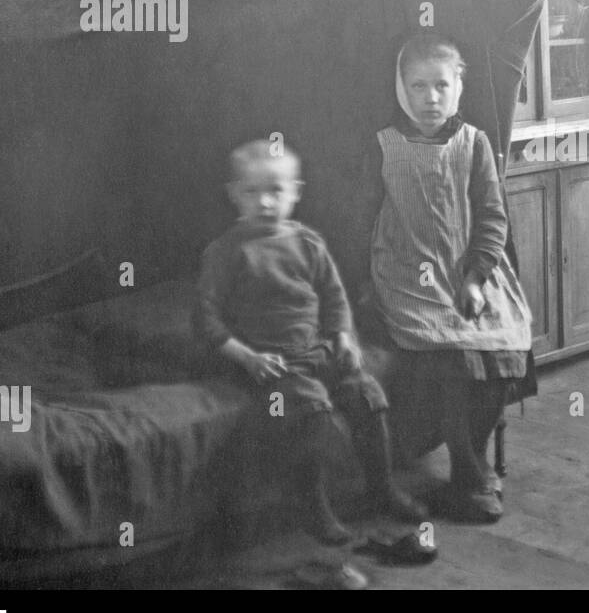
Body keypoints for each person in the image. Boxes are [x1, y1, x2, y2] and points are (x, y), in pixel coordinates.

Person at [195, 139, 429, 562]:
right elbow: (206, 319)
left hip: (317, 350)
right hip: (271, 363)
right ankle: (314, 504)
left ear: (296, 192)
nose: (265, 202)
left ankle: (382, 487)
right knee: (310, 414)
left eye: (276, 191)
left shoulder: (308, 242)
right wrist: (247, 357)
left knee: (367, 397)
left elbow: (334, 297)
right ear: (234, 194)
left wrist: (342, 338)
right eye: (252, 192)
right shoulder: (226, 252)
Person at [357, 33, 535, 523]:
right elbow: (362, 218)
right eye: (417, 87)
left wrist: (477, 276)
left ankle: (470, 465)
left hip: (464, 269)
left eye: (441, 85)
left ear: (459, 86)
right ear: (401, 89)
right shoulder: (384, 147)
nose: (430, 98)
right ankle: (471, 475)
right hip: (406, 273)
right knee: (452, 355)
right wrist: (363, 286)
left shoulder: (473, 144)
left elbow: (493, 220)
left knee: (501, 347)